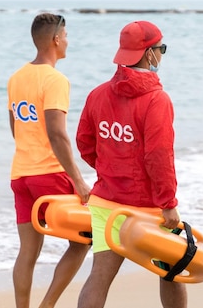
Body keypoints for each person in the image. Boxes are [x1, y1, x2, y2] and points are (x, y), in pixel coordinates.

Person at [76, 21, 187, 308]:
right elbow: (159, 156)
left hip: (106, 203)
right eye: (161, 49)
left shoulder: (97, 94)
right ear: (149, 53)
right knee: (171, 271)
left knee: (99, 276)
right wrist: (168, 202)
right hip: (147, 206)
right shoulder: (156, 100)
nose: (162, 55)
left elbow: (85, 142)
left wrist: (110, 168)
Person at [7, 13, 92, 308]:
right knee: (84, 240)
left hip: (20, 176)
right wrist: (78, 180)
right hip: (49, 175)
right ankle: (47, 306)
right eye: (66, 35)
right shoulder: (55, 79)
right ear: (55, 40)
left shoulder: (16, 78)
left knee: (27, 252)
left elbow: (15, 128)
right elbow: (57, 134)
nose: (68, 41)